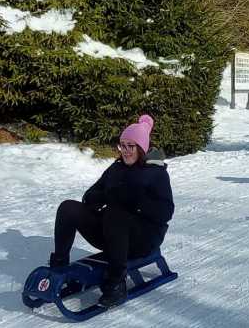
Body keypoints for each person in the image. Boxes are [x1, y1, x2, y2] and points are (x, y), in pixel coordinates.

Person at [50, 115, 175, 308]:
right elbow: (91, 194)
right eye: (122, 145)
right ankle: (59, 267)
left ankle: (117, 283)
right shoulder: (116, 168)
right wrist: (98, 198)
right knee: (68, 208)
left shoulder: (156, 173)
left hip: (143, 239)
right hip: (113, 234)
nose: (125, 151)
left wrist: (136, 202)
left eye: (130, 146)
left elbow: (166, 211)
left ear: (141, 148)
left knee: (116, 213)